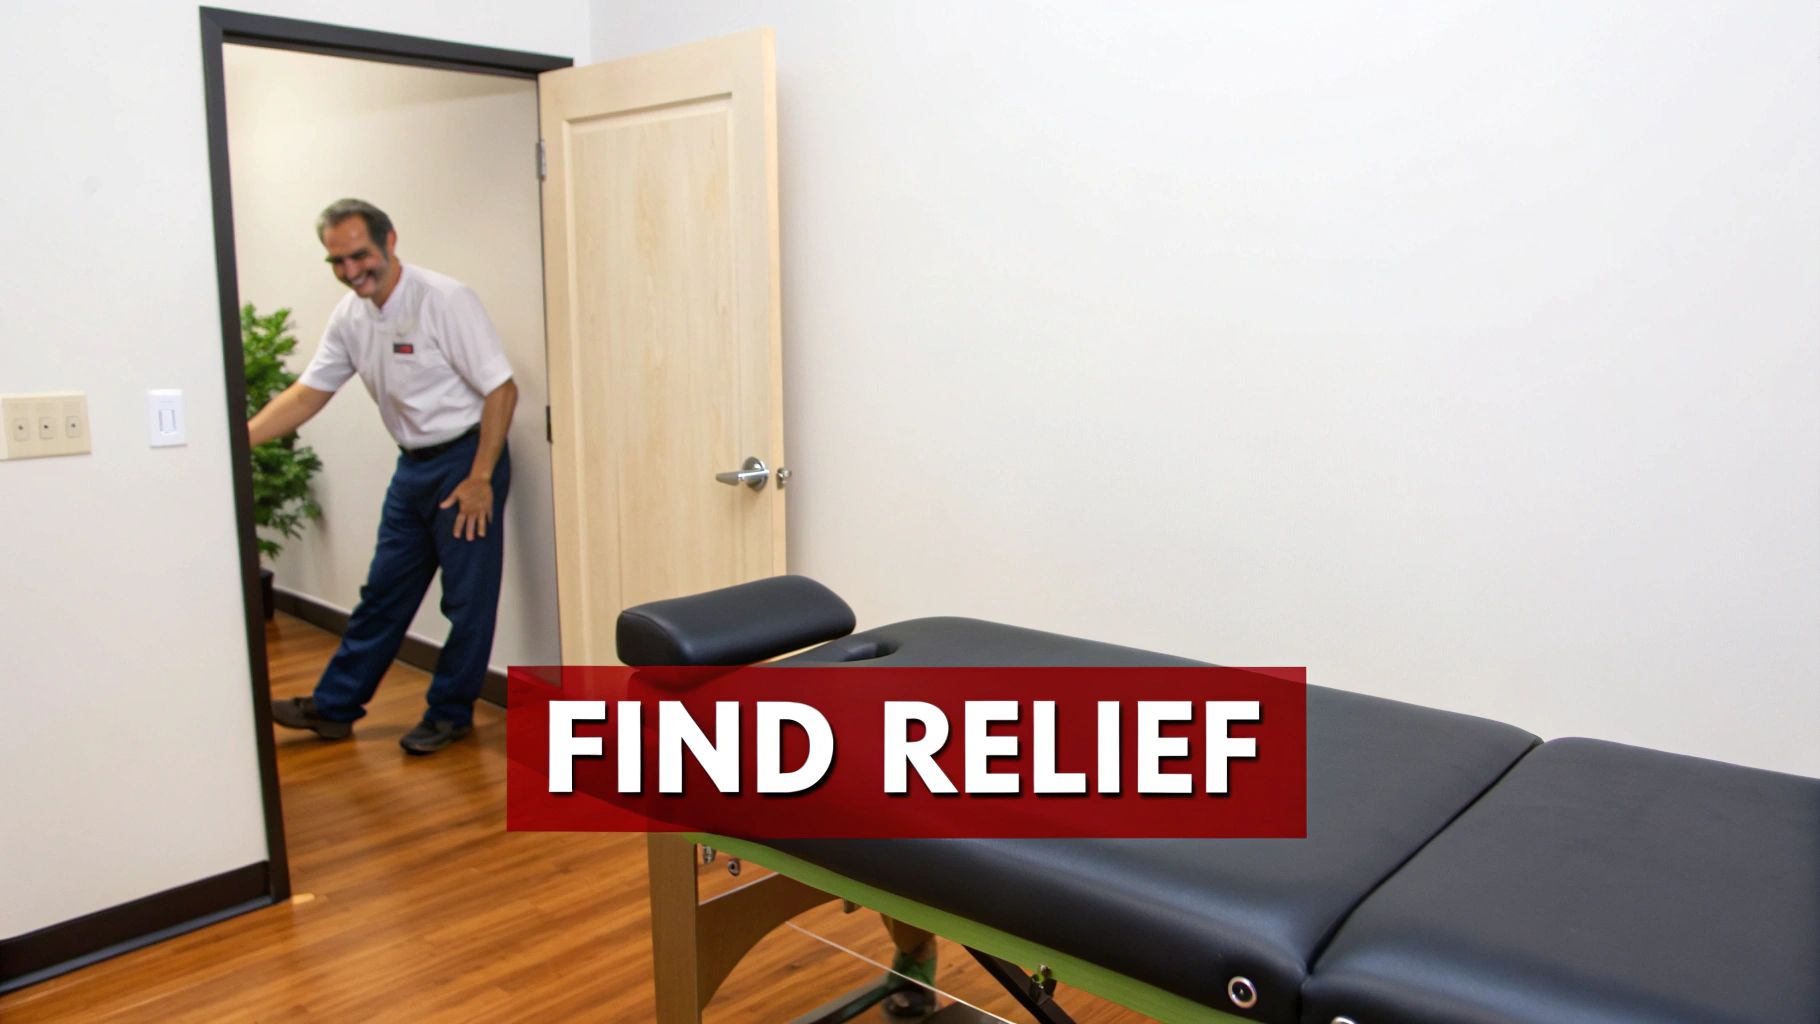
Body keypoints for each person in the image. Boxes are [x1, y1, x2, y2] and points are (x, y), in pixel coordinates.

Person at [249, 198, 518, 755]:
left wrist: (480, 478)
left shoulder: (443, 300)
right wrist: (238, 439)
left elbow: (501, 389)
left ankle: (450, 713)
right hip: (414, 466)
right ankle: (334, 708)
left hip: (466, 462)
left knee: (466, 601)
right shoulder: (351, 316)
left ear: (390, 240)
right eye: (338, 262)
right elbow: (307, 394)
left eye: (360, 256)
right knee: (383, 594)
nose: (351, 273)